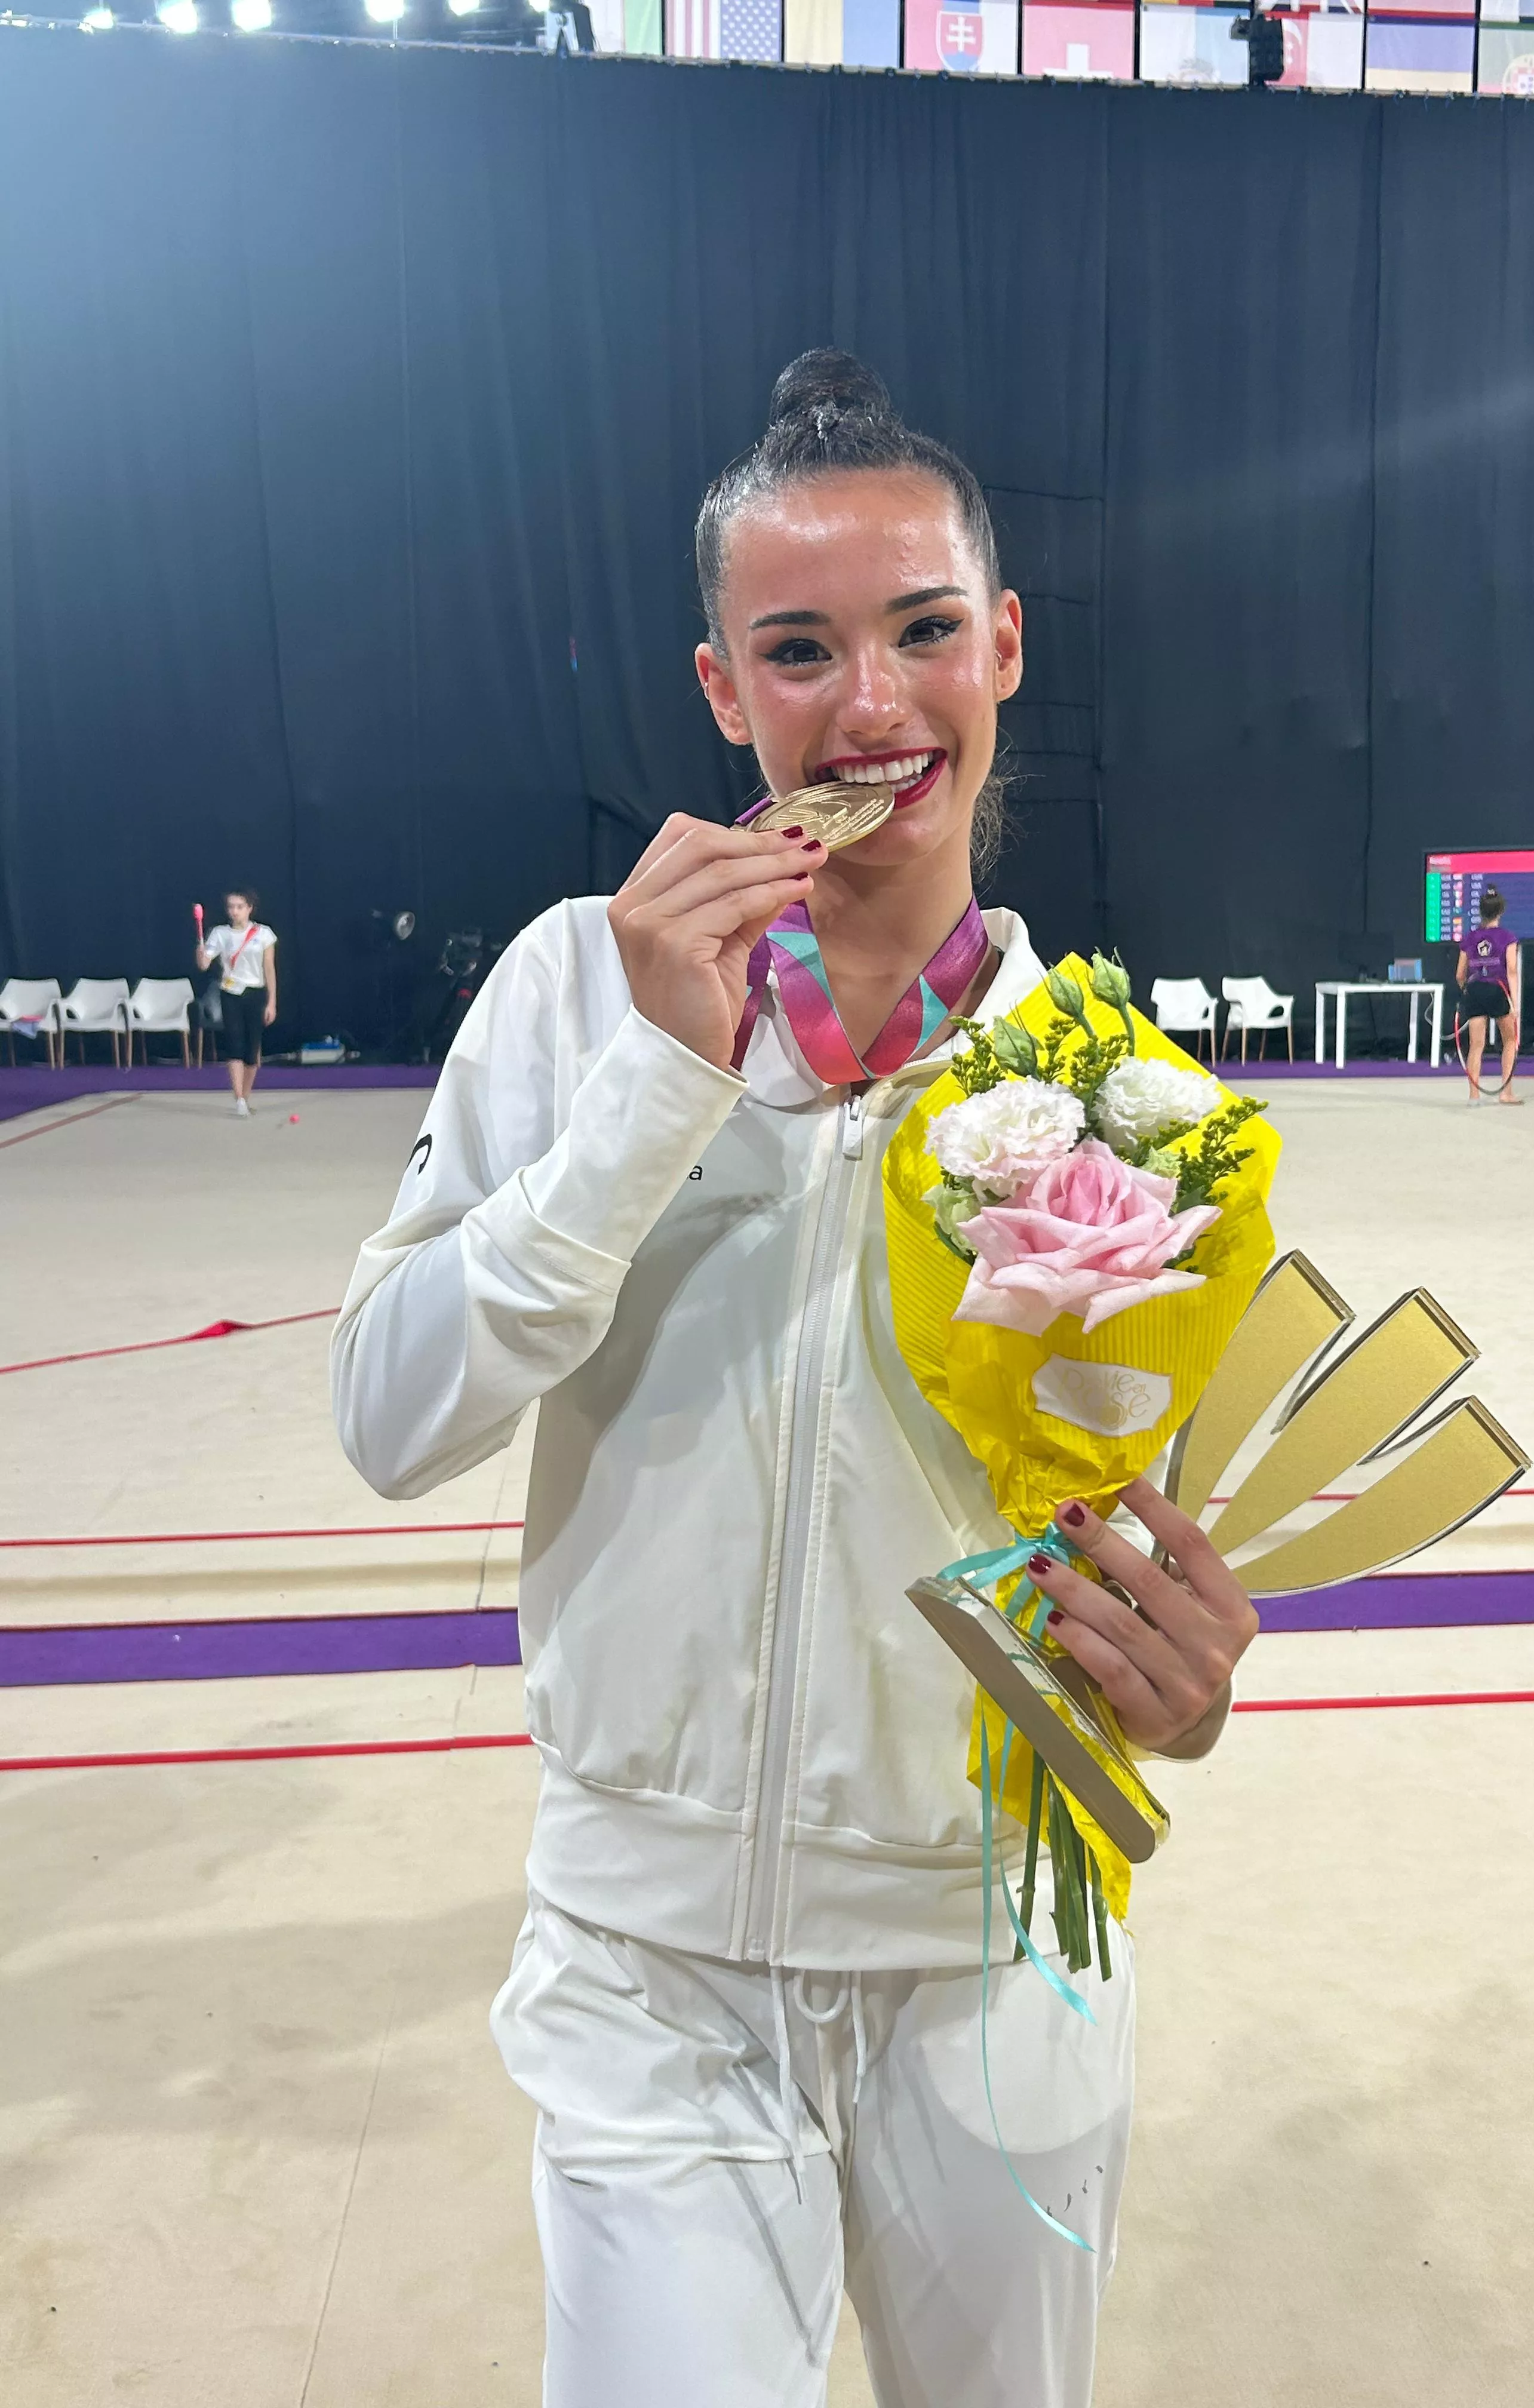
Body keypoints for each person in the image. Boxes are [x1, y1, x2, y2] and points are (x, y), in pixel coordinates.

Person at [330, 351, 1261, 2408]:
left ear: (1003, 645)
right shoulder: (581, 986)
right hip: (646, 1967)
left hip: (994, 1966)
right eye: (799, 647)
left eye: (924, 630)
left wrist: (1177, 1692)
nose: (870, 706)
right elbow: (391, 1419)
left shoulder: (1124, 1097)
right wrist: (651, 1091)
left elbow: (1135, 1564)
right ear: (719, 688)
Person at [194, 887, 278, 1115]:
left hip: (255, 993)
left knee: (253, 1050)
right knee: (235, 1044)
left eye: (240, 907)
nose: (235, 912)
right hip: (230, 992)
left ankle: (246, 1096)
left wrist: (272, 1002)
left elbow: (269, 969)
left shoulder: (264, 934)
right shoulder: (220, 934)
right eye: (231, 907)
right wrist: (201, 953)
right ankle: (239, 1098)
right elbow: (204, 965)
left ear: (250, 908)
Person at [1456, 885, 1522, 1104]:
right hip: (1498, 990)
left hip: (1475, 990)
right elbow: (1511, 970)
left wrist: (1467, 990)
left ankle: (1474, 1096)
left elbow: (1459, 974)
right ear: (1501, 912)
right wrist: (1515, 1003)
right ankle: (1506, 1093)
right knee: (1510, 1041)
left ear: (1481, 911)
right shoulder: (1508, 937)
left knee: (1476, 1045)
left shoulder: (1471, 937)